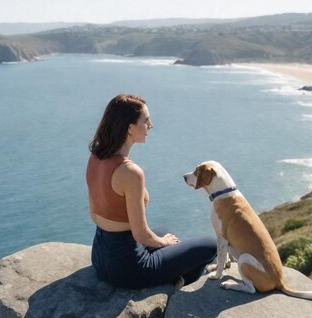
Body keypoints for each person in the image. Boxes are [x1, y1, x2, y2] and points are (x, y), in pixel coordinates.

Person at [86, 93, 217, 289]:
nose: (151, 125)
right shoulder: (130, 172)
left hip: (99, 256)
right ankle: (176, 284)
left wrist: (160, 240)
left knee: (166, 232)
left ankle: (168, 273)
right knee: (211, 245)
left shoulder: (95, 157)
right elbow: (141, 236)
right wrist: (162, 243)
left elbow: (95, 217)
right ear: (129, 128)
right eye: (146, 120)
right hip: (129, 269)